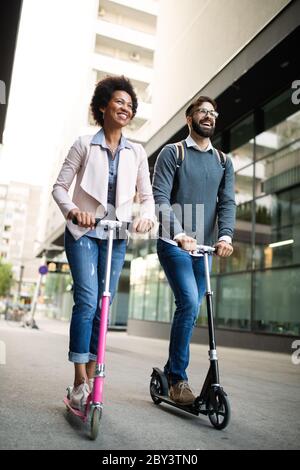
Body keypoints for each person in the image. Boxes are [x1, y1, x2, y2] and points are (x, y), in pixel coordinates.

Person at [52, 75, 155, 410]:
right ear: (102, 107)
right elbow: (59, 188)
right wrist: (73, 212)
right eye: (119, 102)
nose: (125, 107)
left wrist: (145, 216)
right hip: (83, 233)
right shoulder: (84, 144)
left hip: (116, 235)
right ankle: (80, 380)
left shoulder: (137, 152)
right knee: (87, 299)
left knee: (104, 306)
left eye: (129, 104)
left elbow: (148, 197)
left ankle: (95, 375)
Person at [152, 96, 236, 405]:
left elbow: (227, 202)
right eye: (203, 112)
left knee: (194, 308)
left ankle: (172, 369)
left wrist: (225, 236)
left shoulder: (223, 161)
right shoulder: (173, 153)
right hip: (174, 244)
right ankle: (177, 378)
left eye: (213, 113)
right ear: (190, 118)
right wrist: (179, 233)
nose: (209, 117)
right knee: (188, 301)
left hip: (203, 250)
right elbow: (160, 197)